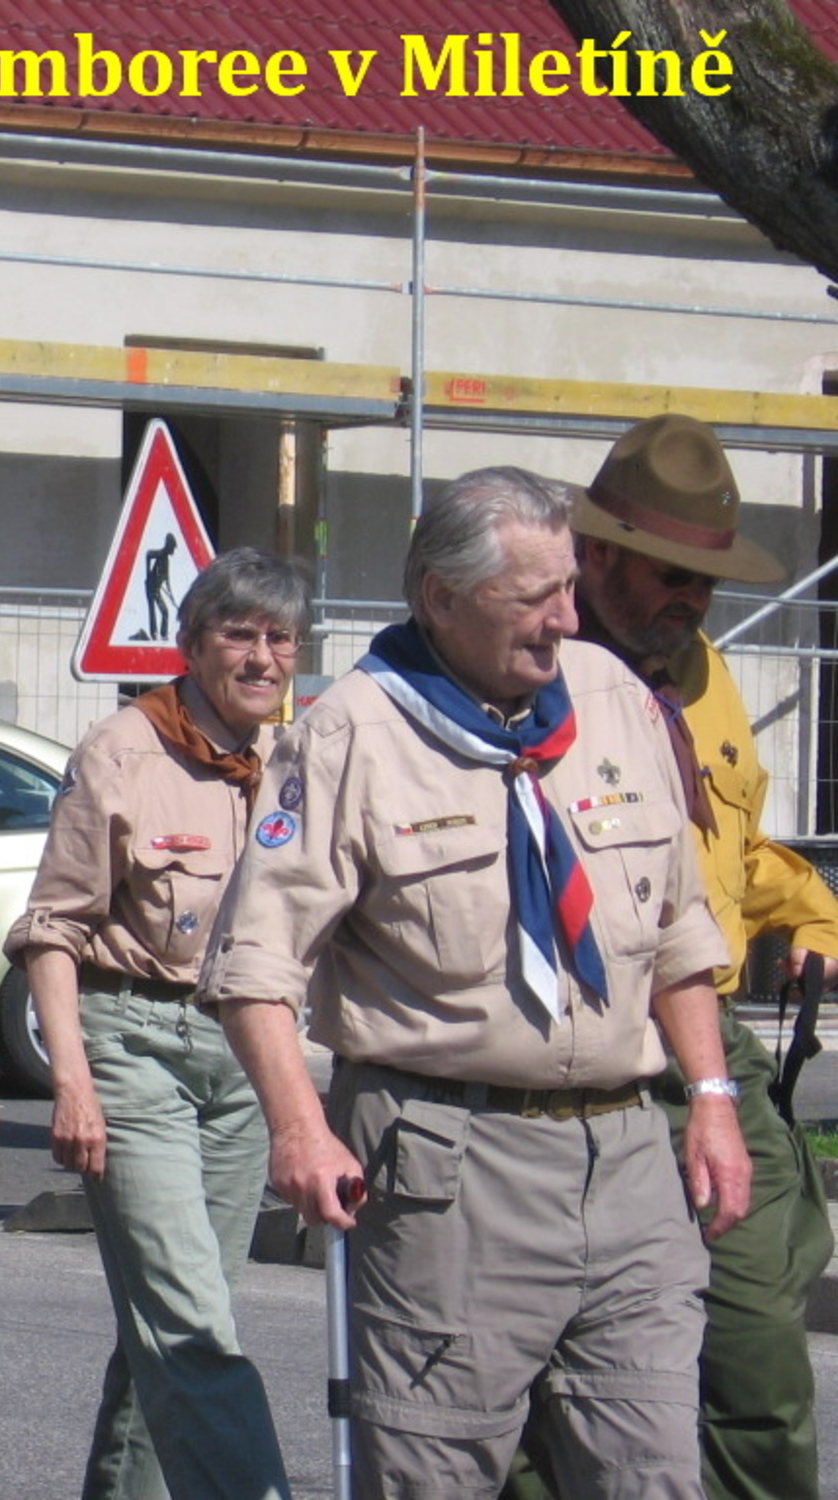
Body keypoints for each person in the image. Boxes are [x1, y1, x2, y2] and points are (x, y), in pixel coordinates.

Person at [199, 467, 751, 1498]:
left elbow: (677, 928)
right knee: (434, 1475)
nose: (564, 619)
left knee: (654, 1474)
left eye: (568, 588)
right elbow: (254, 965)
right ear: (440, 598)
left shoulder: (611, 698)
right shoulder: (352, 734)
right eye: (532, 596)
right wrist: (298, 1130)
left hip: (628, 1161)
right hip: (449, 1166)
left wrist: (712, 1099)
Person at [533, 413, 831, 1499]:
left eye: (707, 580)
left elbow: (726, 853)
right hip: (573, 1054)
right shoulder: (526, 668)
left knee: (755, 1352)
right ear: (595, 553)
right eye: (671, 574)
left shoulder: (699, 672)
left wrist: (815, 917)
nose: (692, 599)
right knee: (547, 1381)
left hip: (710, 1047)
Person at [6, 547, 307, 1500]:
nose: (261, 658)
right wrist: (72, 1084)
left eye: (281, 639)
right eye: (239, 635)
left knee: (178, 1327)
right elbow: (52, 930)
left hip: (245, 1059)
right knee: (188, 1324)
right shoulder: (122, 751)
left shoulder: (296, 761)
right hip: (136, 1046)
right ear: (192, 644)